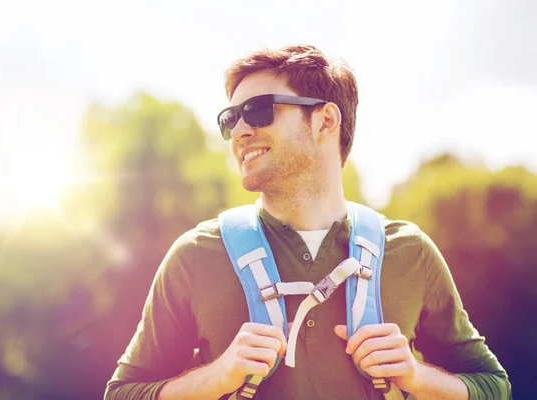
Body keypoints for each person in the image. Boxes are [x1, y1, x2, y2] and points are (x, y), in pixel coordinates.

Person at [104, 45, 511, 400]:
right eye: (231, 119)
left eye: (258, 111)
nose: (239, 131)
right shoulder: (195, 255)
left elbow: (494, 385)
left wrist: (417, 377)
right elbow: (122, 393)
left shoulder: (411, 252)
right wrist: (213, 379)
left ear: (325, 122)